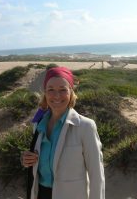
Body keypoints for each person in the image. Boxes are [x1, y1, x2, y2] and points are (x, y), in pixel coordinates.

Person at [21, 66, 105, 199]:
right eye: (51, 90)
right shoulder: (38, 125)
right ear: (45, 93)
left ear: (71, 92)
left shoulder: (85, 126)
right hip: (40, 194)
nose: (56, 96)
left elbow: (97, 175)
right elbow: (40, 165)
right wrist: (27, 160)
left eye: (62, 90)